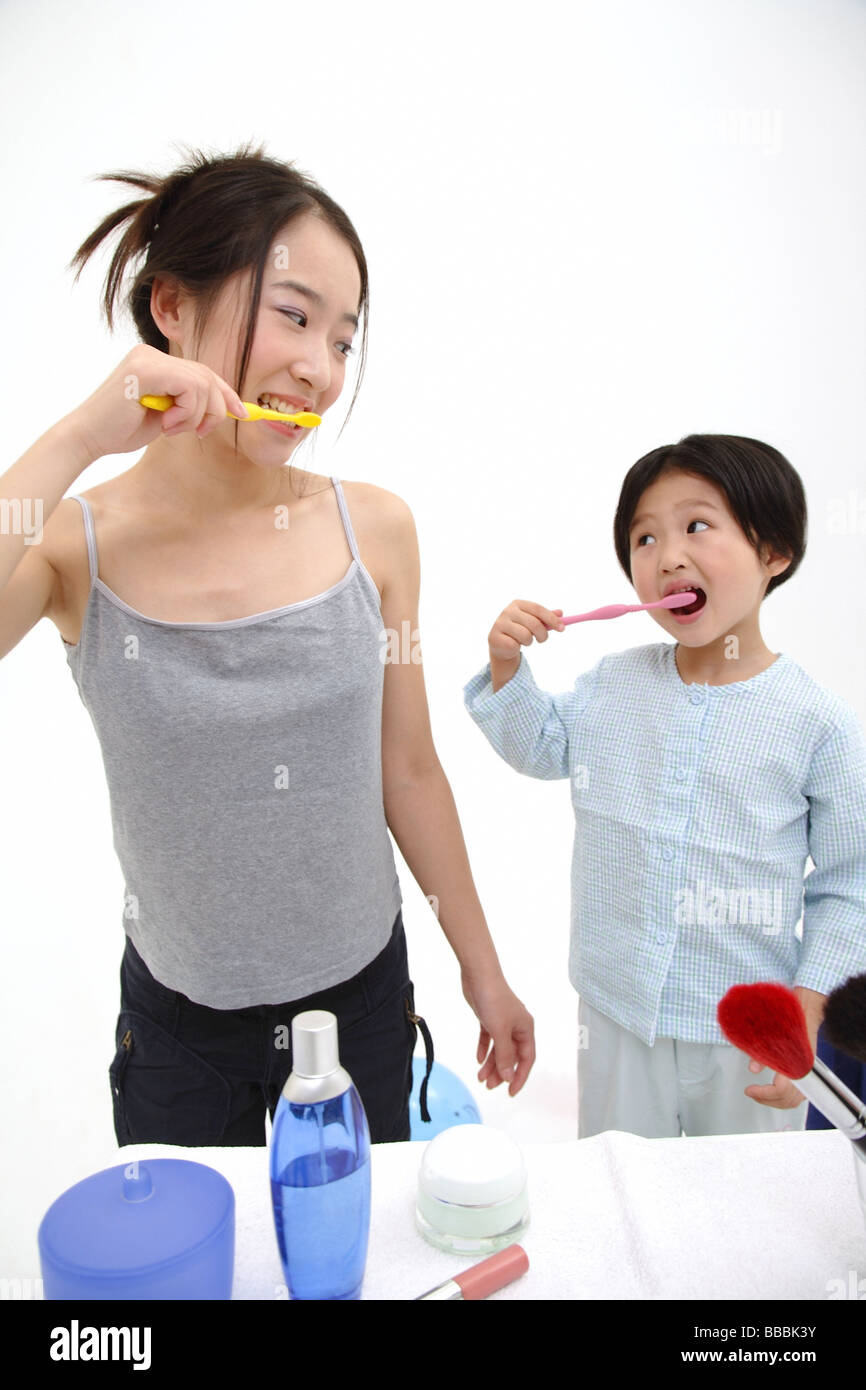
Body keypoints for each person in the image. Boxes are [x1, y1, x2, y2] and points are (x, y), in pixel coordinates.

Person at [0, 142, 535, 1147]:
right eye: (293, 316)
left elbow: (408, 770)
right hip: (176, 1034)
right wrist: (79, 432)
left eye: (342, 339)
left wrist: (481, 968)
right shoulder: (74, 543)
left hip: (363, 1007)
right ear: (171, 307)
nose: (318, 370)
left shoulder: (374, 530)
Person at [463, 434, 866, 1138]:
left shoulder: (818, 724)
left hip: (747, 1029)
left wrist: (806, 1006)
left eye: (697, 526)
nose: (667, 556)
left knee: (747, 1208)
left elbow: (848, 884)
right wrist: (506, 668)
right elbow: (541, 746)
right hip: (617, 1011)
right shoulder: (614, 683)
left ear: (774, 552)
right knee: (621, 1186)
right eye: (644, 538)